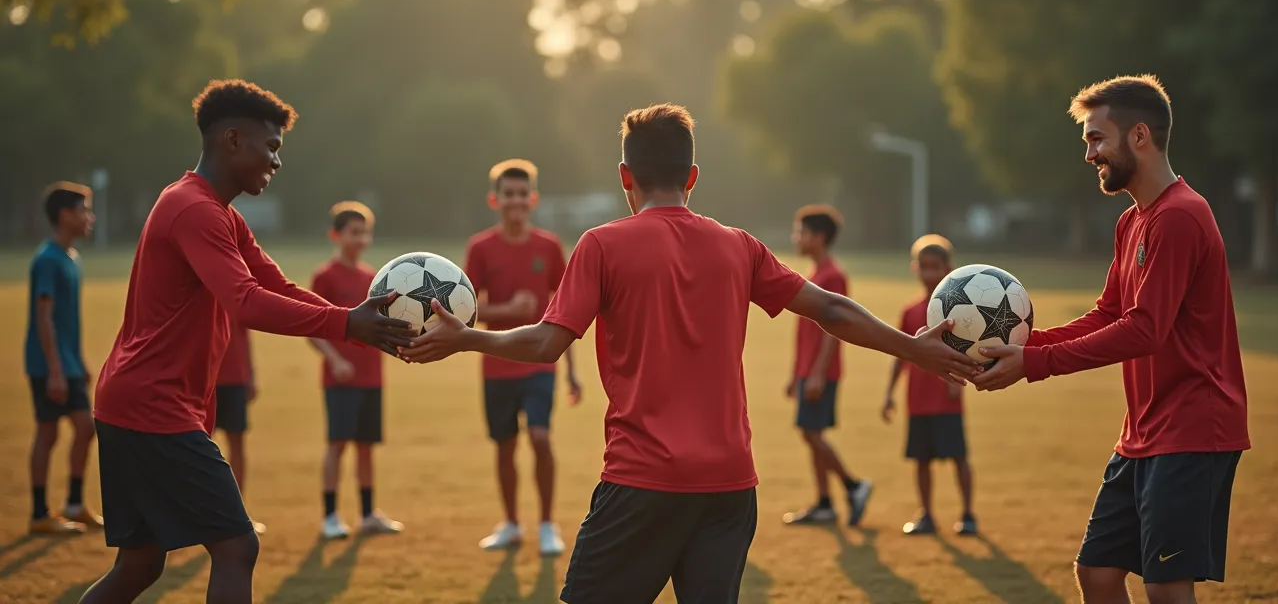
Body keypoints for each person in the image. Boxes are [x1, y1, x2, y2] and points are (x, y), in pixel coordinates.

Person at [400, 103, 979, 603]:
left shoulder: (602, 244)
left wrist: (466, 337)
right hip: (730, 486)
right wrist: (912, 349)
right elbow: (830, 308)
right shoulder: (739, 246)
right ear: (693, 176)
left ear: (625, 175)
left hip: (643, 480)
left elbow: (546, 342)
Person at [80, 79, 414, 604]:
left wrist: (356, 322)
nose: (277, 162)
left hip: (138, 403)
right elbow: (246, 302)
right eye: (272, 146)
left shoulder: (221, 214)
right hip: (152, 406)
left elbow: (276, 287)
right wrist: (348, 324)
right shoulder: (195, 210)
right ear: (233, 140)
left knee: (140, 565)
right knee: (236, 546)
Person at [972, 75, 1249, 604]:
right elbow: (1110, 313)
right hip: (1144, 431)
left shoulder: (1181, 216)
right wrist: (1021, 349)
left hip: (1193, 428)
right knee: (1097, 572)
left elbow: (1145, 329)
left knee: (1166, 588)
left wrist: (1036, 363)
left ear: (1139, 136)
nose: (1090, 154)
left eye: (1097, 139)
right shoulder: (1133, 221)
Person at [464, 159, 580, 556]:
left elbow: (568, 310)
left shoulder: (548, 247)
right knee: (504, 445)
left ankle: (547, 524)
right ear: (494, 200)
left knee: (540, 436)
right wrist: (507, 310)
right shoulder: (480, 248)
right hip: (496, 363)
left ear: (533, 199)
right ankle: (511, 524)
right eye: (507, 194)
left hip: (539, 362)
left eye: (522, 194)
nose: (515, 201)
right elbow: (466, 310)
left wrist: (573, 371)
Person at [310, 201, 404, 540]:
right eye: (354, 232)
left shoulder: (374, 278)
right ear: (336, 235)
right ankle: (331, 515)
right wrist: (335, 359)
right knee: (337, 444)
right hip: (341, 379)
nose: (361, 239)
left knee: (366, 446)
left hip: (371, 377)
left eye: (365, 232)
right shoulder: (325, 276)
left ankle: (367, 515)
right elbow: (312, 328)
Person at [782, 204, 873, 527]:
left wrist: (818, 372)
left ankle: (854, 486)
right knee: (810, 433)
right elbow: (805, 333)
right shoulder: (816, 275)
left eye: (801, 232)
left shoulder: (833, 276)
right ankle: (824, 503)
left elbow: (833, 332)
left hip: (822, 372)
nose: (796, 238)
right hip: (809, 371)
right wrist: (797, 374)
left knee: (812, 434)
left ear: (818, 237)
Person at [881, 234, 976, 536]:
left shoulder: (958, 312)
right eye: (924, 267)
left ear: (948, 268)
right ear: (915, 268)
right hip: (917, 399)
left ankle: (968, 514)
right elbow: (901, 354)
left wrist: (958, 384)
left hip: (945, 397)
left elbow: (967, 350)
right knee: (921, 460)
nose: (929, 274)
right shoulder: (910, 312)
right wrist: (888, 394)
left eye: (936, 267)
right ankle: (927, 515)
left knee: (958, 457)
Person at [25, 181, 101, 535]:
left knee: (81, 429)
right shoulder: (48, 260)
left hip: (66, 362)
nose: (90, 217)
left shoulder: (72, 259)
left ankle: (73, 504)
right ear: (64, 215)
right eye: (84, 210)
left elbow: (68, 322)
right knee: (52, 431)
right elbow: (44, 317)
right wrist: (55, 369)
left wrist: (78, 362)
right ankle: (40, 513)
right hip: (48, 364)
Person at [214, 320, 264, 535]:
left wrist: (250, 375)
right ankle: (195, 514)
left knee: (237, 444)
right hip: (204, 378)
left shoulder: (235, 289)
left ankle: (237, 513)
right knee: (197, 444)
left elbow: (245, 335)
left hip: (234, 377)